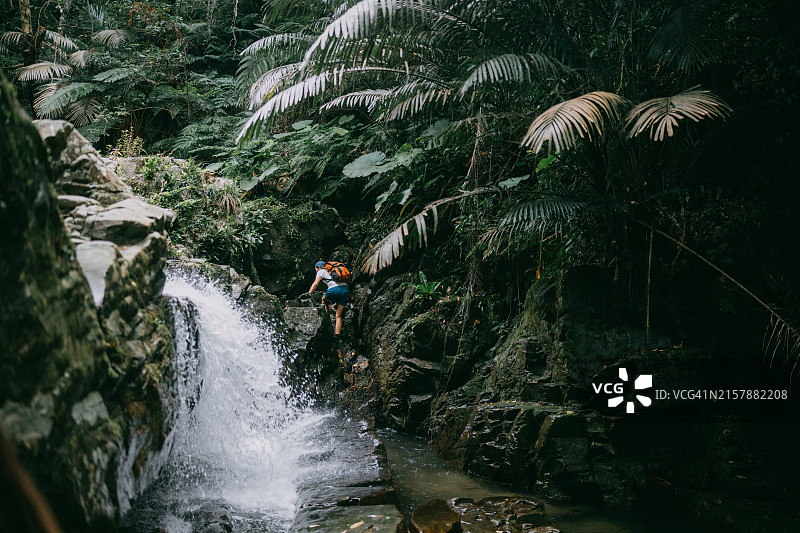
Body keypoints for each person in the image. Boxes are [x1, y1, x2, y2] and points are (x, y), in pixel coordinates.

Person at [307, 261, 350, 346]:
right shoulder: (332, 270)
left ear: (318, 267)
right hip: (345, 289)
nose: (315, 270)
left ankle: (327, 317)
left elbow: (315, 283)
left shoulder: (321, 271)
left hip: (334, 290)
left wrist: (308, 294)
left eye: (315, 269)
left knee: (324, 300)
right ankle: (337, 336)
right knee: (338, 315)